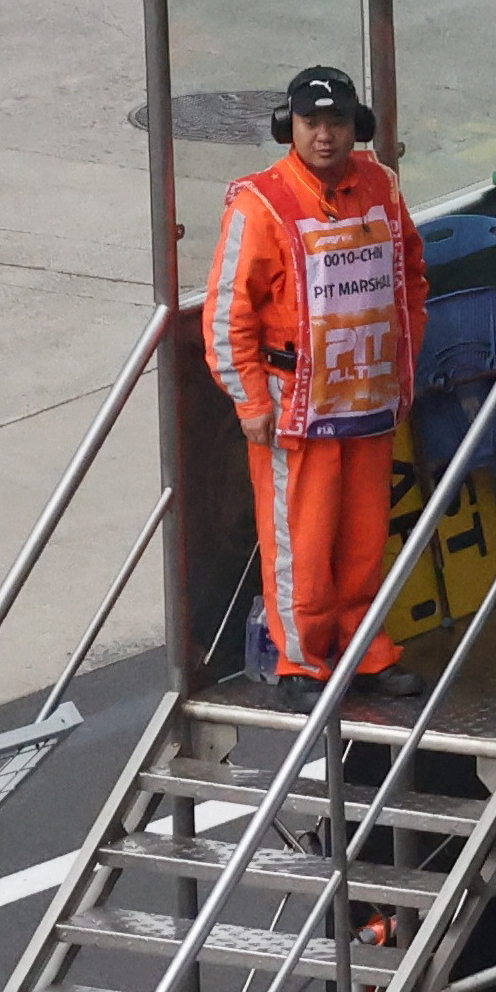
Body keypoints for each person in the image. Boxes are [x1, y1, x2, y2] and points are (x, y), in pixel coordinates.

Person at [206, 64, 430, 708]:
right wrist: (250, 400)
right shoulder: (260, 203)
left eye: (336, 123)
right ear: (289, 128)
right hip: (292, 407)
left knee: (364, 534)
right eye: (311, 124)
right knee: (298, 542)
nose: (324, 136)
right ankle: (301, 661)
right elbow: (227, 315)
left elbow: (411, 276)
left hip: (367, 398)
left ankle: (363, 649)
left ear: (356, 127)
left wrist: (402, 361)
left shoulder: (381, 186)